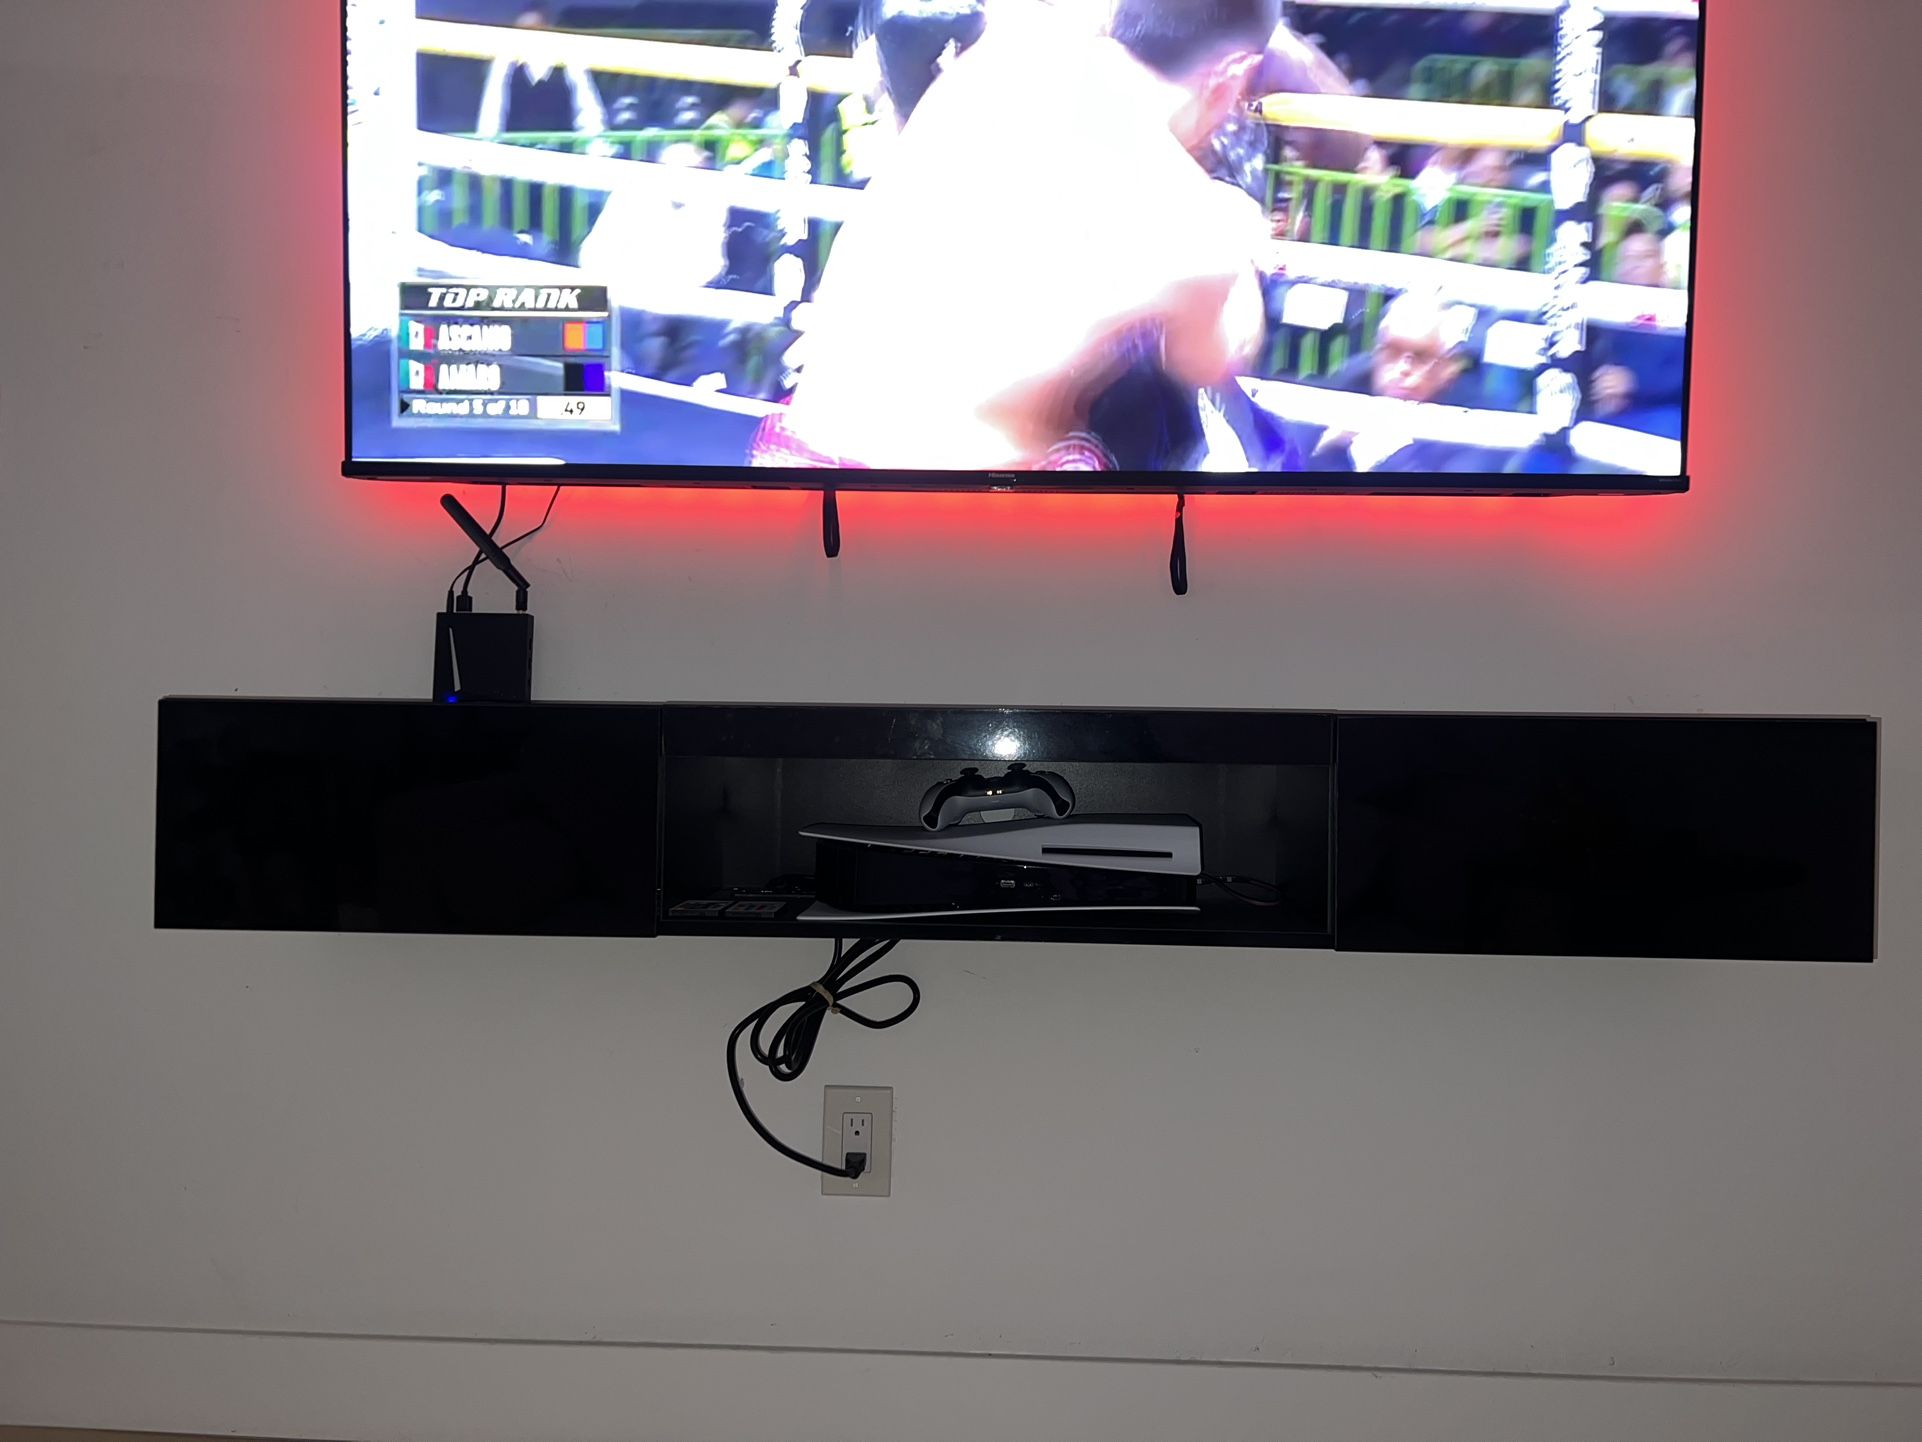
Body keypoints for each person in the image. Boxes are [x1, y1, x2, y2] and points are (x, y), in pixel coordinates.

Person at [756, 0, 1285, 471]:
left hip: (796, 469)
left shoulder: (1013, 46)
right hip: (953, 514)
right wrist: (1236, 243)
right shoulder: (1194, 222)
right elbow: (1215, 359)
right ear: (1234, 78)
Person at [1293, 291, 1509, 473]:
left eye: (1421, 356)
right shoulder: (1353, 380)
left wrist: (1382, 457)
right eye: (1392, 351)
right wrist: (1330, 448)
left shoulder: (1480, 424)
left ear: (1451, 367)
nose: (1402, 368)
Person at [476, 6, 607, 140]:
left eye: (535, 29)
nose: (529, 37)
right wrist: (488, 142)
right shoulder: (506, 63)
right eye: (523, 31)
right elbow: (492, 108)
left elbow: (587, 107)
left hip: (560, 147)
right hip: (515, 147)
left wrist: (595, 143)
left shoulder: (569, 62)